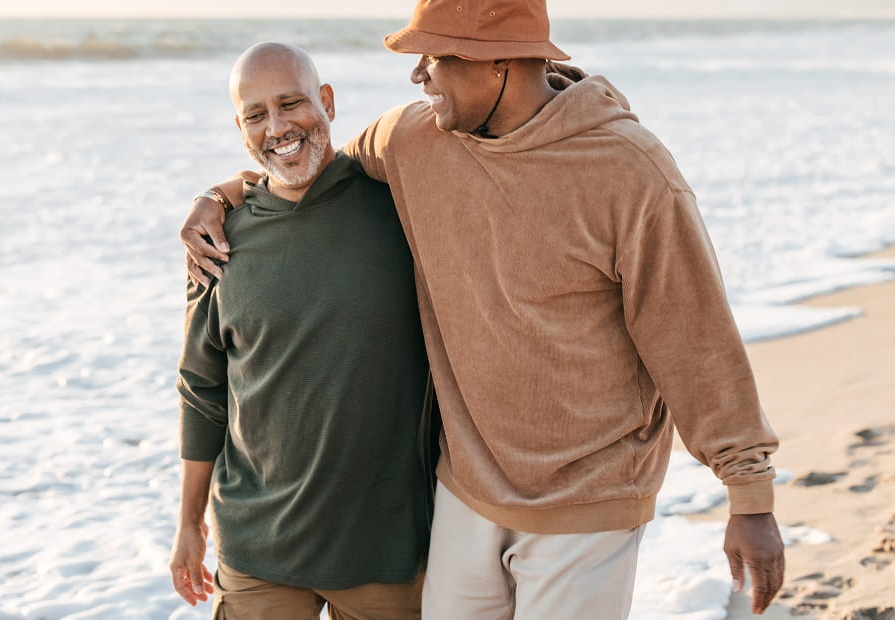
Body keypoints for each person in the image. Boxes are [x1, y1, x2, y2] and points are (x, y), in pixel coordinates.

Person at [180, 1, 786, 618]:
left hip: (589, 497)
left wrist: (750, 496)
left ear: (499, 62)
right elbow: (304, 167)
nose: (418, 77)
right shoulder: (415, 138)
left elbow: (694, 339)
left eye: (434, 59)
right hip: (465, 488)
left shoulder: (631, 172)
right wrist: (219, 194)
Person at [168, 42, 435, 619]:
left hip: (386, 554)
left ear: (328, 102)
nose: (278, 127)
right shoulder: (216, 241)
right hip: (257, 551)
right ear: (240, 127)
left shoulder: (401, 209)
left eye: (292, 103)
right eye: (256, 114)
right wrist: (189, 524)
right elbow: (202, 392)